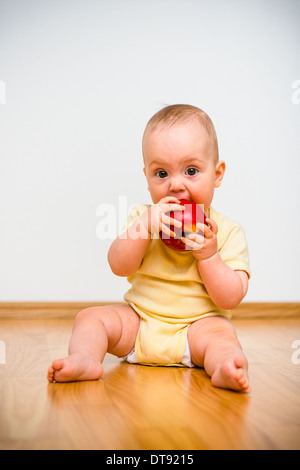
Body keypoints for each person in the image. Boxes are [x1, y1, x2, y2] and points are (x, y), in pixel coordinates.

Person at [48, 104, 251, 392]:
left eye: (191, 171)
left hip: (197, 330)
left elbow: (230, 298)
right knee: (90, 318)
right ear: (146, 177)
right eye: (161, 173)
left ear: (217, 174)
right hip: (140, 323)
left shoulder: (227, 231)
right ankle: (85, 358)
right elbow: (119, 266)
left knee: (222, 337)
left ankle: (225, 367)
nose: (175, 185)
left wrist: (209, 256)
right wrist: (145, 226)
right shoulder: (143, 219)